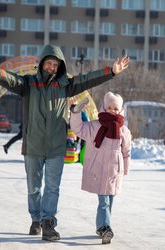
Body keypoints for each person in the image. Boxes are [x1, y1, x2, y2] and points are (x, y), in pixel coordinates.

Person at [0, 44, 130, 241]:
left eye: (56, 64)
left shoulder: (65, 84)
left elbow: (88, 79)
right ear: (42, 64)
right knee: (33, 187)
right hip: (33, 144)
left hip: (56, 146)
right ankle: (36, 219)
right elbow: (12, 80)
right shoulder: (29, 84)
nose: (52, 67)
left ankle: (48, 222)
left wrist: (111, 72)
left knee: (52, 187)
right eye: (49, 63)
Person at [69, 92, 131, 245]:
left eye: (115, 108)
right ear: (104, 107)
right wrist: (76, 113)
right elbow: (78, 129)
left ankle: (101, 227)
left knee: (109, 201)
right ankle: (105, 227)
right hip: (98, 169)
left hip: (114, 172)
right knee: (104, 201)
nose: (112, 111)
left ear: (120, 109)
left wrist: (125, 170)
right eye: (109, 107)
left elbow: (126, 152)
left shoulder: (124, 131)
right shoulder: (95, 126)